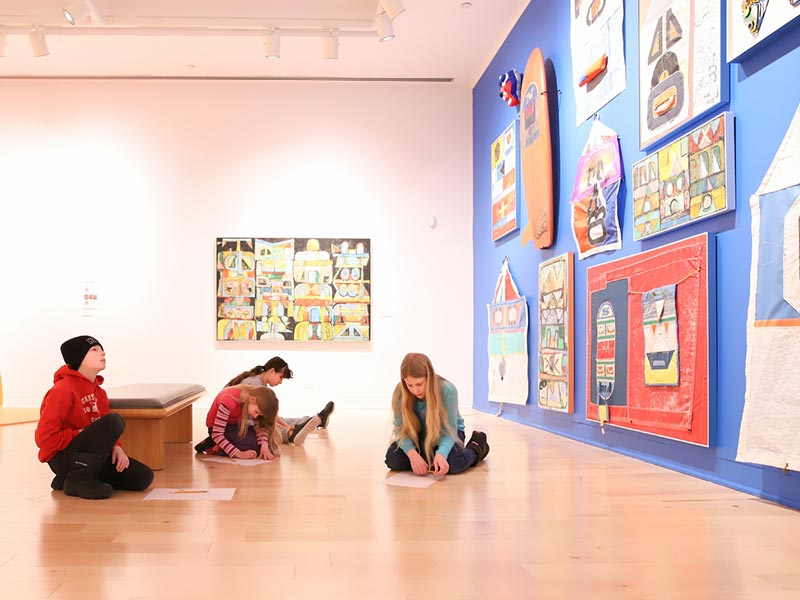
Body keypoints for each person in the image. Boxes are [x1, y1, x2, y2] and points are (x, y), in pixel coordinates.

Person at [34, 335, 154, 500]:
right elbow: (44, 439)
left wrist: (116, 447)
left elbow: (101, 431)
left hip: (92, 456)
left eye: (101, 349)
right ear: (78, 358)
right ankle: (78, 479)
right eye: (94, 350)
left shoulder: (99, 392)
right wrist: (80, 433)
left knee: (143, 477)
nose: (102, 353)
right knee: (114, 421)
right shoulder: (62, 390)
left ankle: (70, 478)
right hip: (62, 457)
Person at [385, 353, 490, 476]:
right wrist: (412, 454)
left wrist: (441, 454)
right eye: (409, 385)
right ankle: (427, 457)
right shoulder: (400, 392)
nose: (415, 390)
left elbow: (449, 430)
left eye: (419, 384)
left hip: (447, 433)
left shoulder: (448, 390)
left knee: (454, 464)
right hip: (419, 436)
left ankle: (476, 446)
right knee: (393, 460)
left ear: (429, 377)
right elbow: (400, 429)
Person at [211, 356, 334, 447]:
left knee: (282, 419)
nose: (280, 382)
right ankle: (292, 434)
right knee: (270, 426)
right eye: (280, 377)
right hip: (244, 421)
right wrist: (285, 427)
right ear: (271, 371)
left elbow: (271, 414)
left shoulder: (258, 383)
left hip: (250, 416)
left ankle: (316, 419)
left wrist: (284, 424)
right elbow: (262, 418)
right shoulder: (255, 385)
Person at [197, 385, 280, 459]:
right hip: (217, 428)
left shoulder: (252, 403)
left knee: (265, 444)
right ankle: (212, 445)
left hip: (234, 425)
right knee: (251, 446)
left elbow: (259, 427)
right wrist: (238, 453)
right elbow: (217, 433)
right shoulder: (229, 400)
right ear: (252, 399)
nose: (255, 416)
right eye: (256, 412)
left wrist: (264, 445)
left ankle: (221, 444)